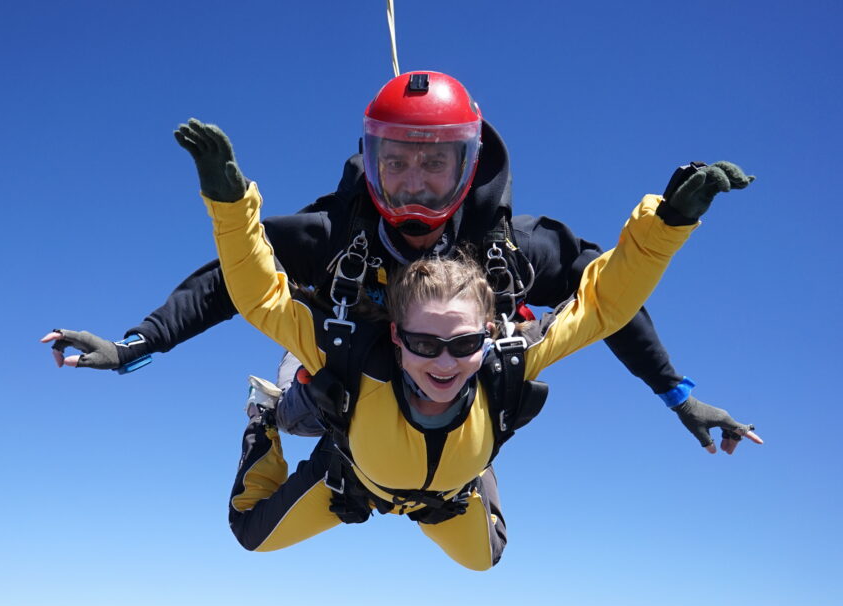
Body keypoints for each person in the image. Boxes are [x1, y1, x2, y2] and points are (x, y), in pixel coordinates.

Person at [43, 71, 755, 454]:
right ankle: (272, 408)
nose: (415, 186)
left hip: (449, 395)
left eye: (436, 166)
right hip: (341, 381)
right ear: (370, 162)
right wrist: (135, 344)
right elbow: (230, 282)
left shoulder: (511, 248)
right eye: (398, 164)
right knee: (308, 412)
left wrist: (678, 395)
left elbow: (610, 297)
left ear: (468, 168)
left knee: (475, 445)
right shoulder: (332, 234)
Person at [157, 118, 757, 570]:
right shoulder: (352, 343)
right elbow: (254, 291)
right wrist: (230, 209)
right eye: (424, 342)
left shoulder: (509, 341)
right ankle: (270, 412)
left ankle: (471, 470)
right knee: (252, 529)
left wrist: (668, 228)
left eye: (463, 342)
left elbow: (604, 300)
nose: (444, 360)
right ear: (394, 336)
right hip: (353, 475)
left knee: (487, 557)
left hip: (445, 495)